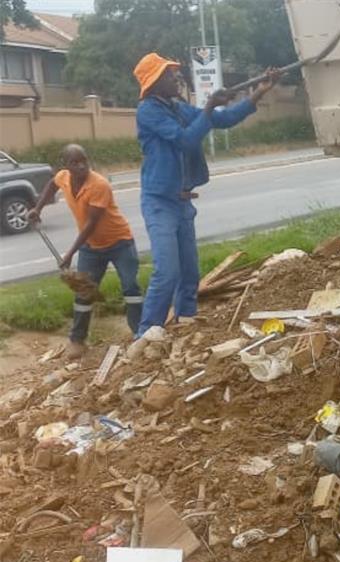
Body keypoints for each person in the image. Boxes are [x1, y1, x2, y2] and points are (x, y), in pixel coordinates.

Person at [132, 52, 278, 336]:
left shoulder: (177, 107)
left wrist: (258, 93)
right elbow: (185, 140)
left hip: (182, 202)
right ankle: (146, 333)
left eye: (173, 72)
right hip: (160, 203)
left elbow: (222, 120)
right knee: (167, 272)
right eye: (168, 74)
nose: (175, 77)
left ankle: (185, 323)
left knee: (189, 273)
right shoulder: (148, 111)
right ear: (153, 83)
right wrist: (210, 105)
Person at [28, 144, 142, 359]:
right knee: (83, 291)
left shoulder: (99, 185)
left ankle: (139, 333)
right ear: (66, 165)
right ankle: (77, 340)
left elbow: (91, 224)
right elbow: (52, 186)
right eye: (75, 162)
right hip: (92, 248)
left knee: (131, 288)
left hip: (120, 243)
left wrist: (69, 254)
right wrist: (37, 208)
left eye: (84, 160)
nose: (81, 166)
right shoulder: (63, 177)